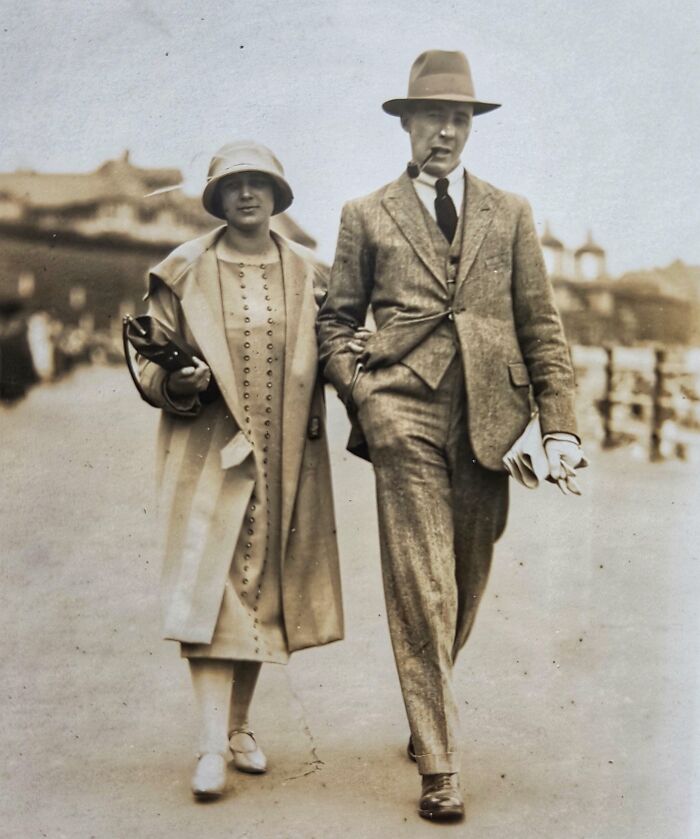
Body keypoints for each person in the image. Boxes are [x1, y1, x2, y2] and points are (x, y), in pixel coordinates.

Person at [318, 50, 585, 822]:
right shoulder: (365, 214)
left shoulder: (511, 212)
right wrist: (363, 397)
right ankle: (439, 763)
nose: (447, 131)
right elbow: (336, 323)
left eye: (460, 117)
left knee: (464, 581)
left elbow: (543, 330)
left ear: (472, 127)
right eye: (433, 116)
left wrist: (559, 427)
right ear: (406, 123)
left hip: (492, 422)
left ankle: (425, 697)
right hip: (401, 411)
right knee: (421, 585)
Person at [136, 140, 343, 800]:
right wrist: (181, 382)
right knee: (211, 587)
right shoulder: (182, 269)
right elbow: (145, 358)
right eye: (233, 184)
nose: (247, 194)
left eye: (259, 183)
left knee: (264, 587)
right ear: (217, 197)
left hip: (285, 454)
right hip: (210, 452)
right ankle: (207, 746)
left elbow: (341, 348)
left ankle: (240, 726)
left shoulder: (313, 272)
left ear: (278, 196)